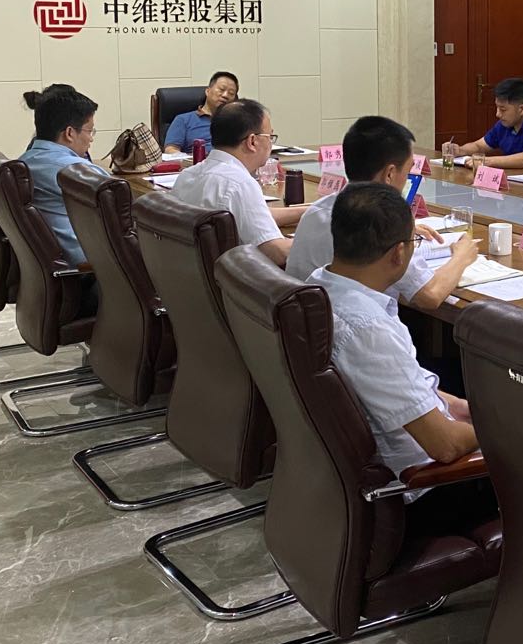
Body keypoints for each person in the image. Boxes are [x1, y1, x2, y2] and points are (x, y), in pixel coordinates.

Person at [306, 183, 494, 530]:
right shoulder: (368, 328)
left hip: (347, 478)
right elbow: (446, 446)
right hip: (423, 488)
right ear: (398, 254)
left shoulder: (317, 286)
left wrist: (454, 405)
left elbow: (395, 384)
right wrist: (503, 426)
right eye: (414, 242)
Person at [286, 116, 478, 310]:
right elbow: (430, 295)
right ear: (390, 174)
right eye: (408, 171)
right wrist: (462, 256)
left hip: (311, 318)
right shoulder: (379, 224)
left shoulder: (315, 211)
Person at [171, 99, 305, 267]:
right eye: (270, 137)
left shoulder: (187, 176)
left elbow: (252, 215)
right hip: (232, 279)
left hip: (190, 275)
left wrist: (310, 211)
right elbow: (278, 253)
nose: (271, 144)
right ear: (252, 141)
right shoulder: (239, 184)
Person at [18, 85, 107, 268]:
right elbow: (121, 205)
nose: (91, 138)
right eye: (89, 131)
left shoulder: (25, 161)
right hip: (91, 268)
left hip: (52, 264)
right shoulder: (77, 172)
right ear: (69, 133)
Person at [446, 77, 523, 170]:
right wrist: (460, 150)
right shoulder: (505, 123)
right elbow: (479, 146)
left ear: (522, 109)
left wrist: (486, 162)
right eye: (497, 108)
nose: (497, 114)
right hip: (515, 181)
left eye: (503, 109)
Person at [163, 71, 239, 153]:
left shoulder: (236, 123)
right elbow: (170, 150)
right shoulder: (183, 120)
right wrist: (194, 159)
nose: (225, 95)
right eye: (221, 89)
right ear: (208, 91)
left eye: (231, 93)